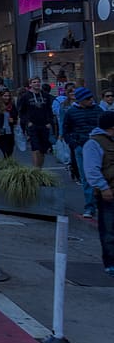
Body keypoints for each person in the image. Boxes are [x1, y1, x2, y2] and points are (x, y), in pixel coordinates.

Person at [81, 110, 114, 276]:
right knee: (109, 230)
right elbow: (91, 170)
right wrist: (103, 187)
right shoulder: (94, 143)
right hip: (108, 192)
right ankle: (110, 263)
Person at [63, 88, 103, 218]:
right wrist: (74, 143)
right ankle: (90, 206)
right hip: (81, 146)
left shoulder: (98, 110)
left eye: (91, 98)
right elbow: (65, 130)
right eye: (88, 99)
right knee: (86, 177)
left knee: (102, 174)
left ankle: (99, 204)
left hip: (98, 146)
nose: (91, 100)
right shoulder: (71, 112)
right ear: (81, 100)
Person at [17, 77, 55, 168]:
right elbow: (21, 111)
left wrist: (49, 122)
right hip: (33, 125)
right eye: (34, 82)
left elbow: (49, 109)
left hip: (45, 125)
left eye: (38, 82)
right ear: (30, 84)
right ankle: (36, 170)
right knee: (35, 148)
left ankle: (40, 169)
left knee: (43, 150)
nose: (37, 84)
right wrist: (27, 122)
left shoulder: (45, 95)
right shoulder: (25, 96)